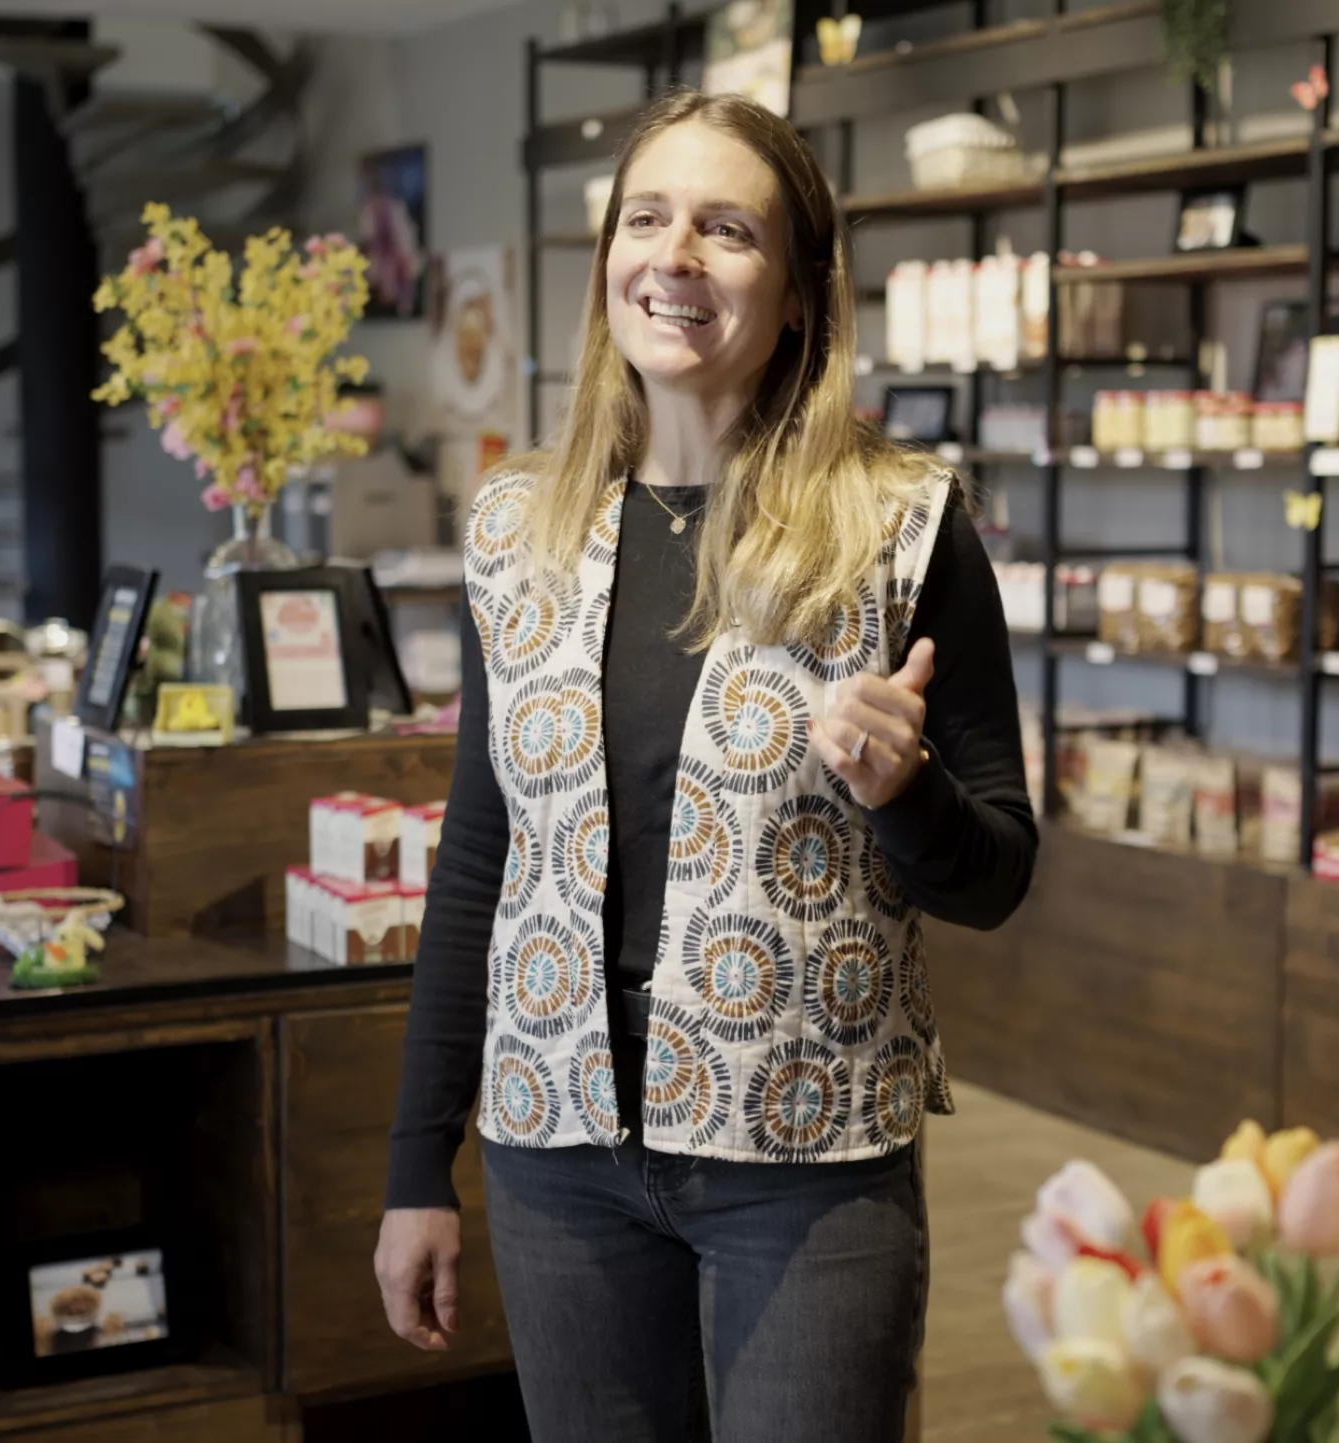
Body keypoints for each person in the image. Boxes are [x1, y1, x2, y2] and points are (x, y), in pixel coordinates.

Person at [373, 89, 1037, 1443]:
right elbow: (481, 860)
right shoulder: (517, 529)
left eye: (727, 229)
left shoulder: (903, 527)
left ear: (795, 296)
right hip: (555, 1149)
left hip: (804, 1164)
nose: (673, 255)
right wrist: (415, 1162)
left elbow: (998, 875)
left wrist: (902, 791)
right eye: (648, 218)